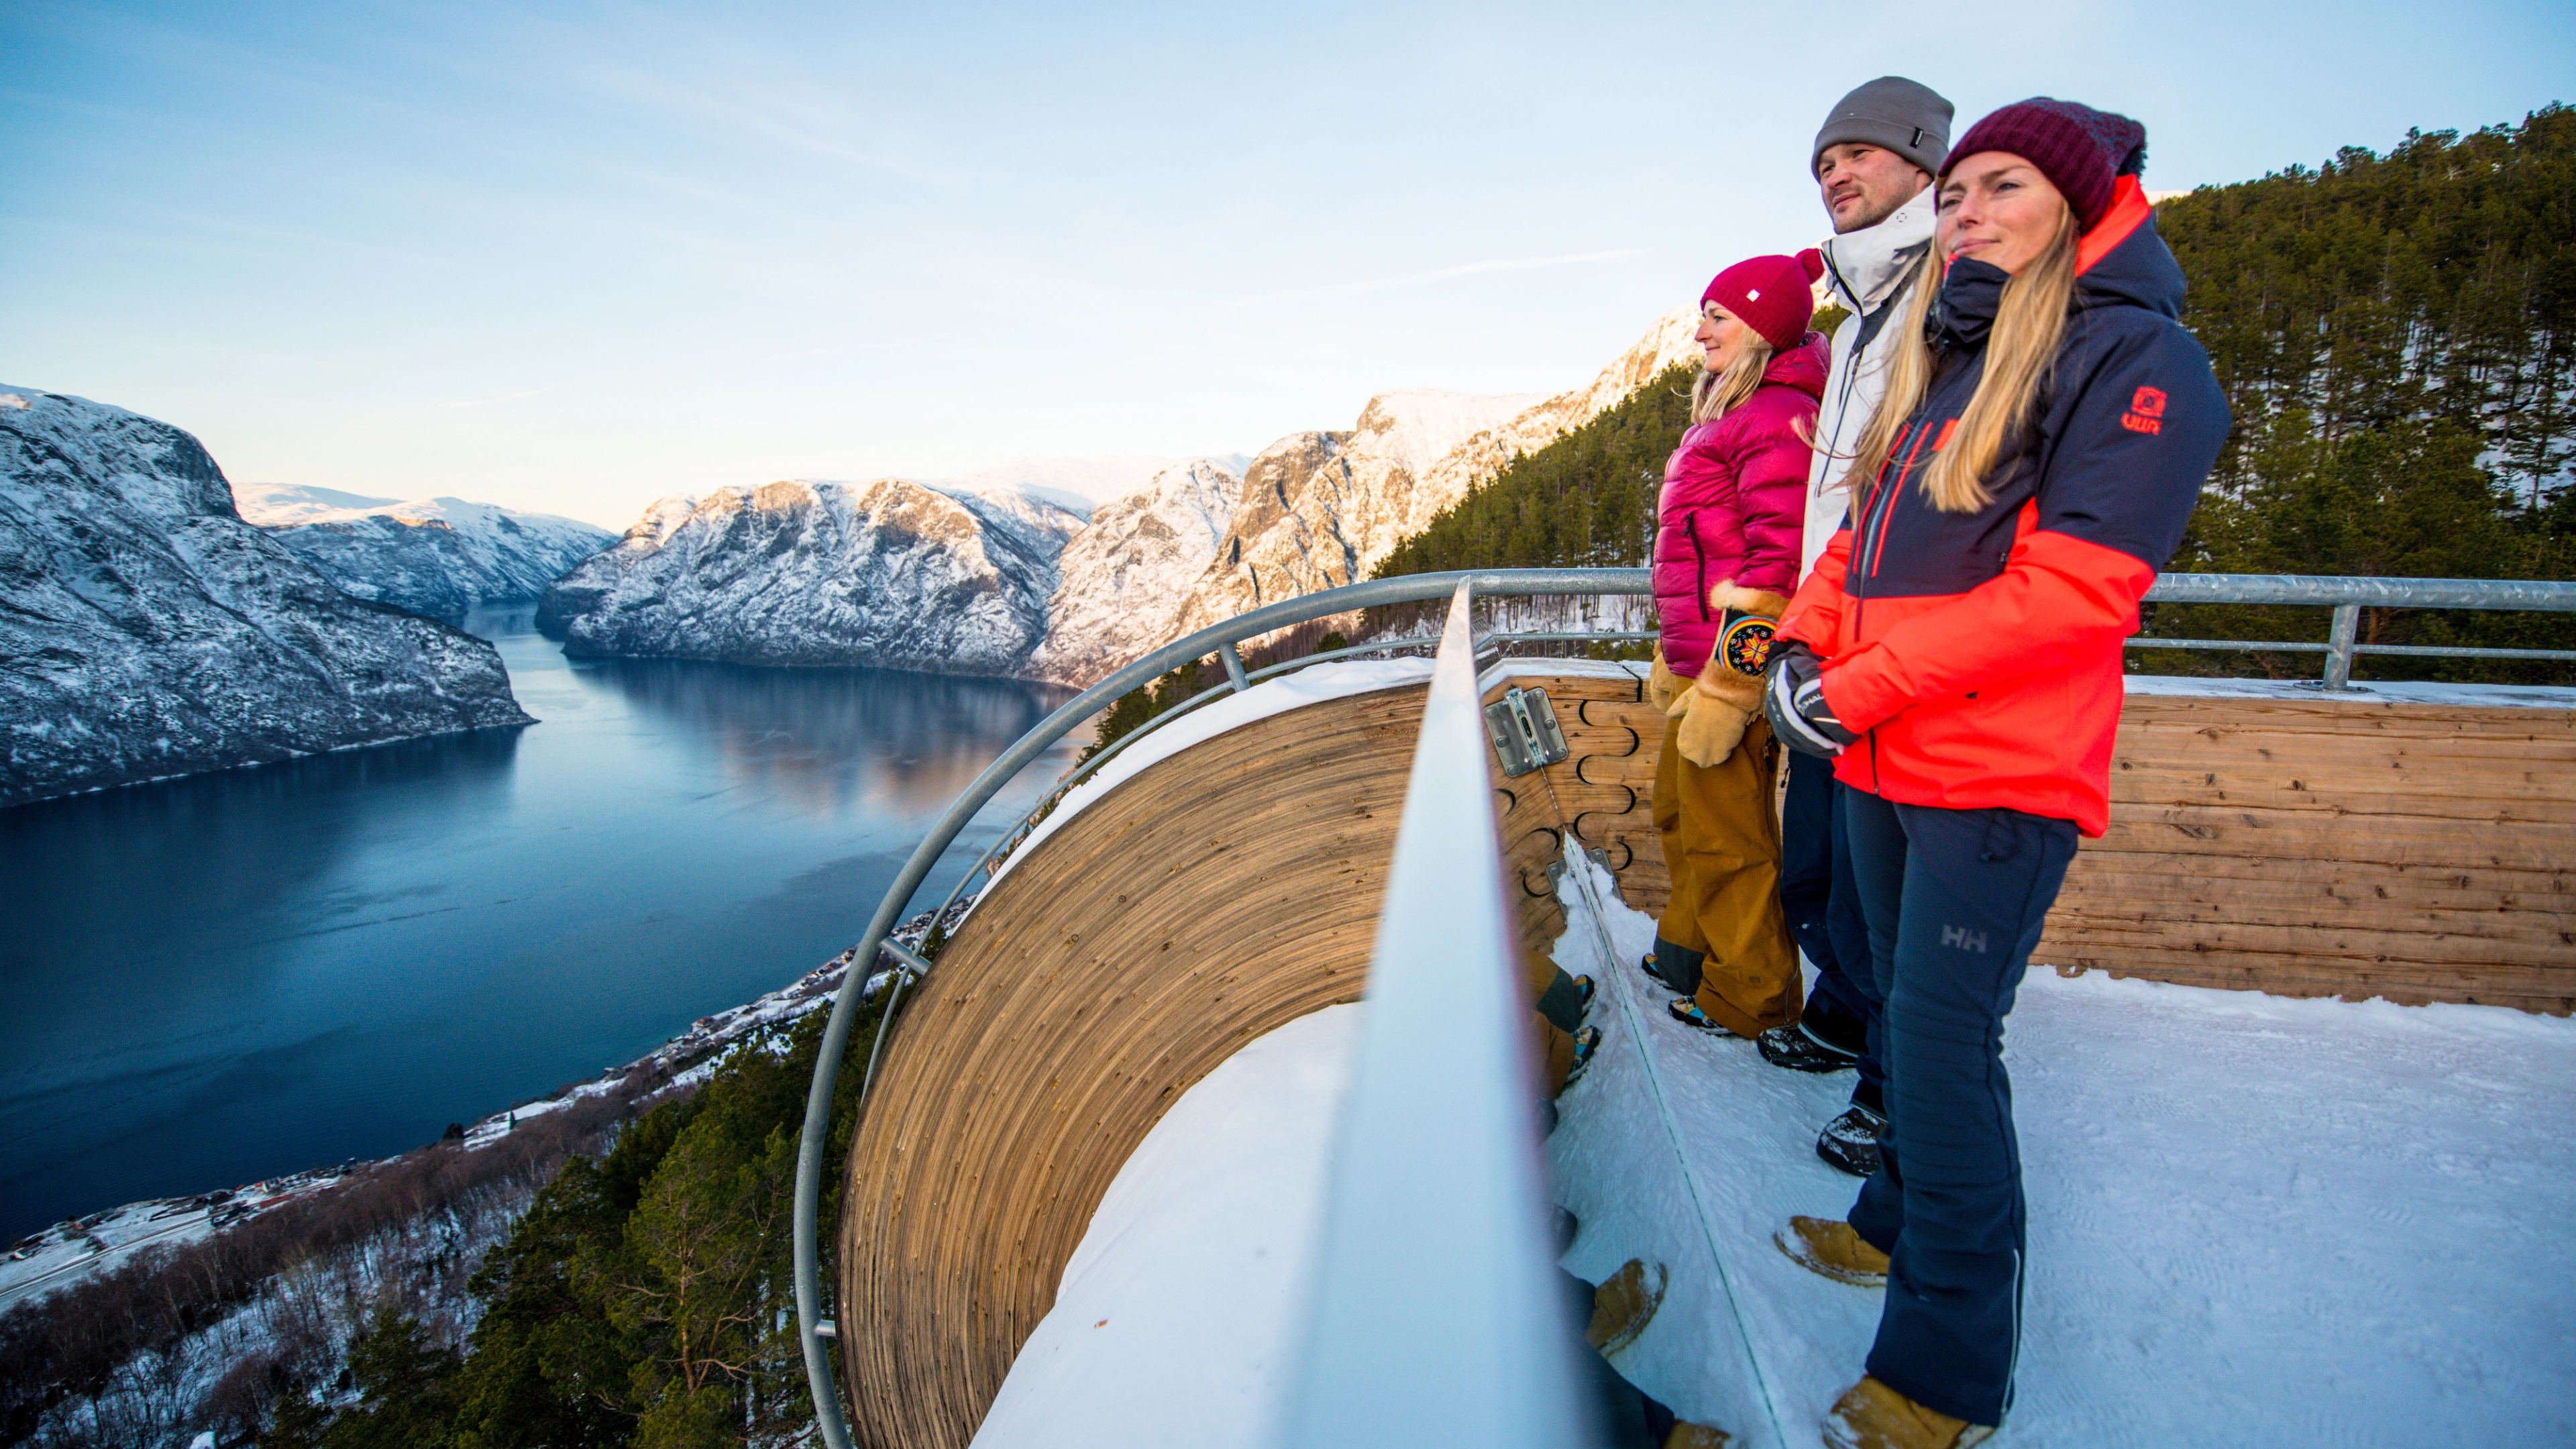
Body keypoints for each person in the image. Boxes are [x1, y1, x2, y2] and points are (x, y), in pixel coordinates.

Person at [1763, 98, 2228, 1448]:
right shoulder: (1963, 354)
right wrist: (1801, 645)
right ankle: (1889, 1223)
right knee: (1903, 1014)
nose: (1966, 212)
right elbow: (1864, 542)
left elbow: (2074, 596)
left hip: (1999, 775)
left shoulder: (2142, 360)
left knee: (1947, 1050)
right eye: (1955, 190)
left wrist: (1849, 689)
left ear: (2076, 205)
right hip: (1891, 749)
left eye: (2001, 185)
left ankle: (1947, 1372)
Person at [1762, 76, 1955, 1183]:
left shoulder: (1948, 286)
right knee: (1821, 871)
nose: (1837, 172)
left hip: (1895, 646)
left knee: (1891, 900)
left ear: (1925, 159)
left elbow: (1919, 489)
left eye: (1862, 154)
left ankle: (1894, 1088)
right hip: (1830, 625)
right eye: (1825, 160)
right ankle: (1845, 1016)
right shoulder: (1860, 315)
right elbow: (1839, 501)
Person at [1640, 252, 1828, 1039]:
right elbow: (1698, 547)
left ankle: (1753, 996)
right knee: (1680, 814)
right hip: (1697, 658)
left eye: (1717, 317)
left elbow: (1777, 564)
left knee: (1730, 835)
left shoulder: (1776, 417)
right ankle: (1690, 950)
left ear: (1760, 324)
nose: (1699, 332)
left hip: (1729, 672)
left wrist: (1730, 685)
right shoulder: (1733, 410)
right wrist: (1674, 653)